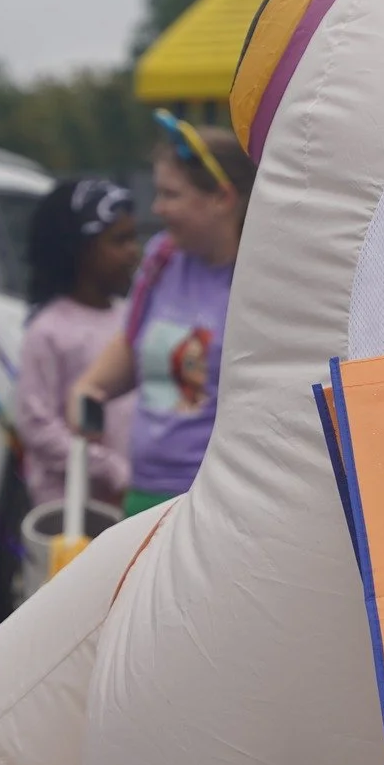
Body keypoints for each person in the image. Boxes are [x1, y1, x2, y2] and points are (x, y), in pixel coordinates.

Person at [69, 115, 251, 516]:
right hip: (144, 491)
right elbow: (130, 344)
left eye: (171, 195)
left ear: (222, 198)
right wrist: (89, 388)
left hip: (214, 501)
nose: (157, 208)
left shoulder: (258, 276)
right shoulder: (162, 258)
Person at [15, 178, 142, 508]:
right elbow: (36, 425)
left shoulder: (132, 319)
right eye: (120, 240)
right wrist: (109, 469)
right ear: (81, 250)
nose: (134, 251)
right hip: (73, 513)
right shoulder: (49, 330)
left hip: (132, 505)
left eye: (134, 238)